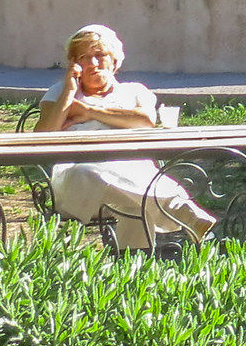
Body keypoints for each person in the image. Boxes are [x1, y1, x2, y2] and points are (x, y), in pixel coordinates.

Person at [37, 25, 216, 249]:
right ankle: (181, 210)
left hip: (131, 175)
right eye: (84, 57)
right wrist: (68, 93)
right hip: (77, 182)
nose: (93, 63)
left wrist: (90, 112)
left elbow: (145, 121)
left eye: (100, 55)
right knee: (88, 171)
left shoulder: (135, 92)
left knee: (134, 208)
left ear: (114, 61)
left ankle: (134, 266)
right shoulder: (60, 93)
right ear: (74, 64)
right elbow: (42, 136)